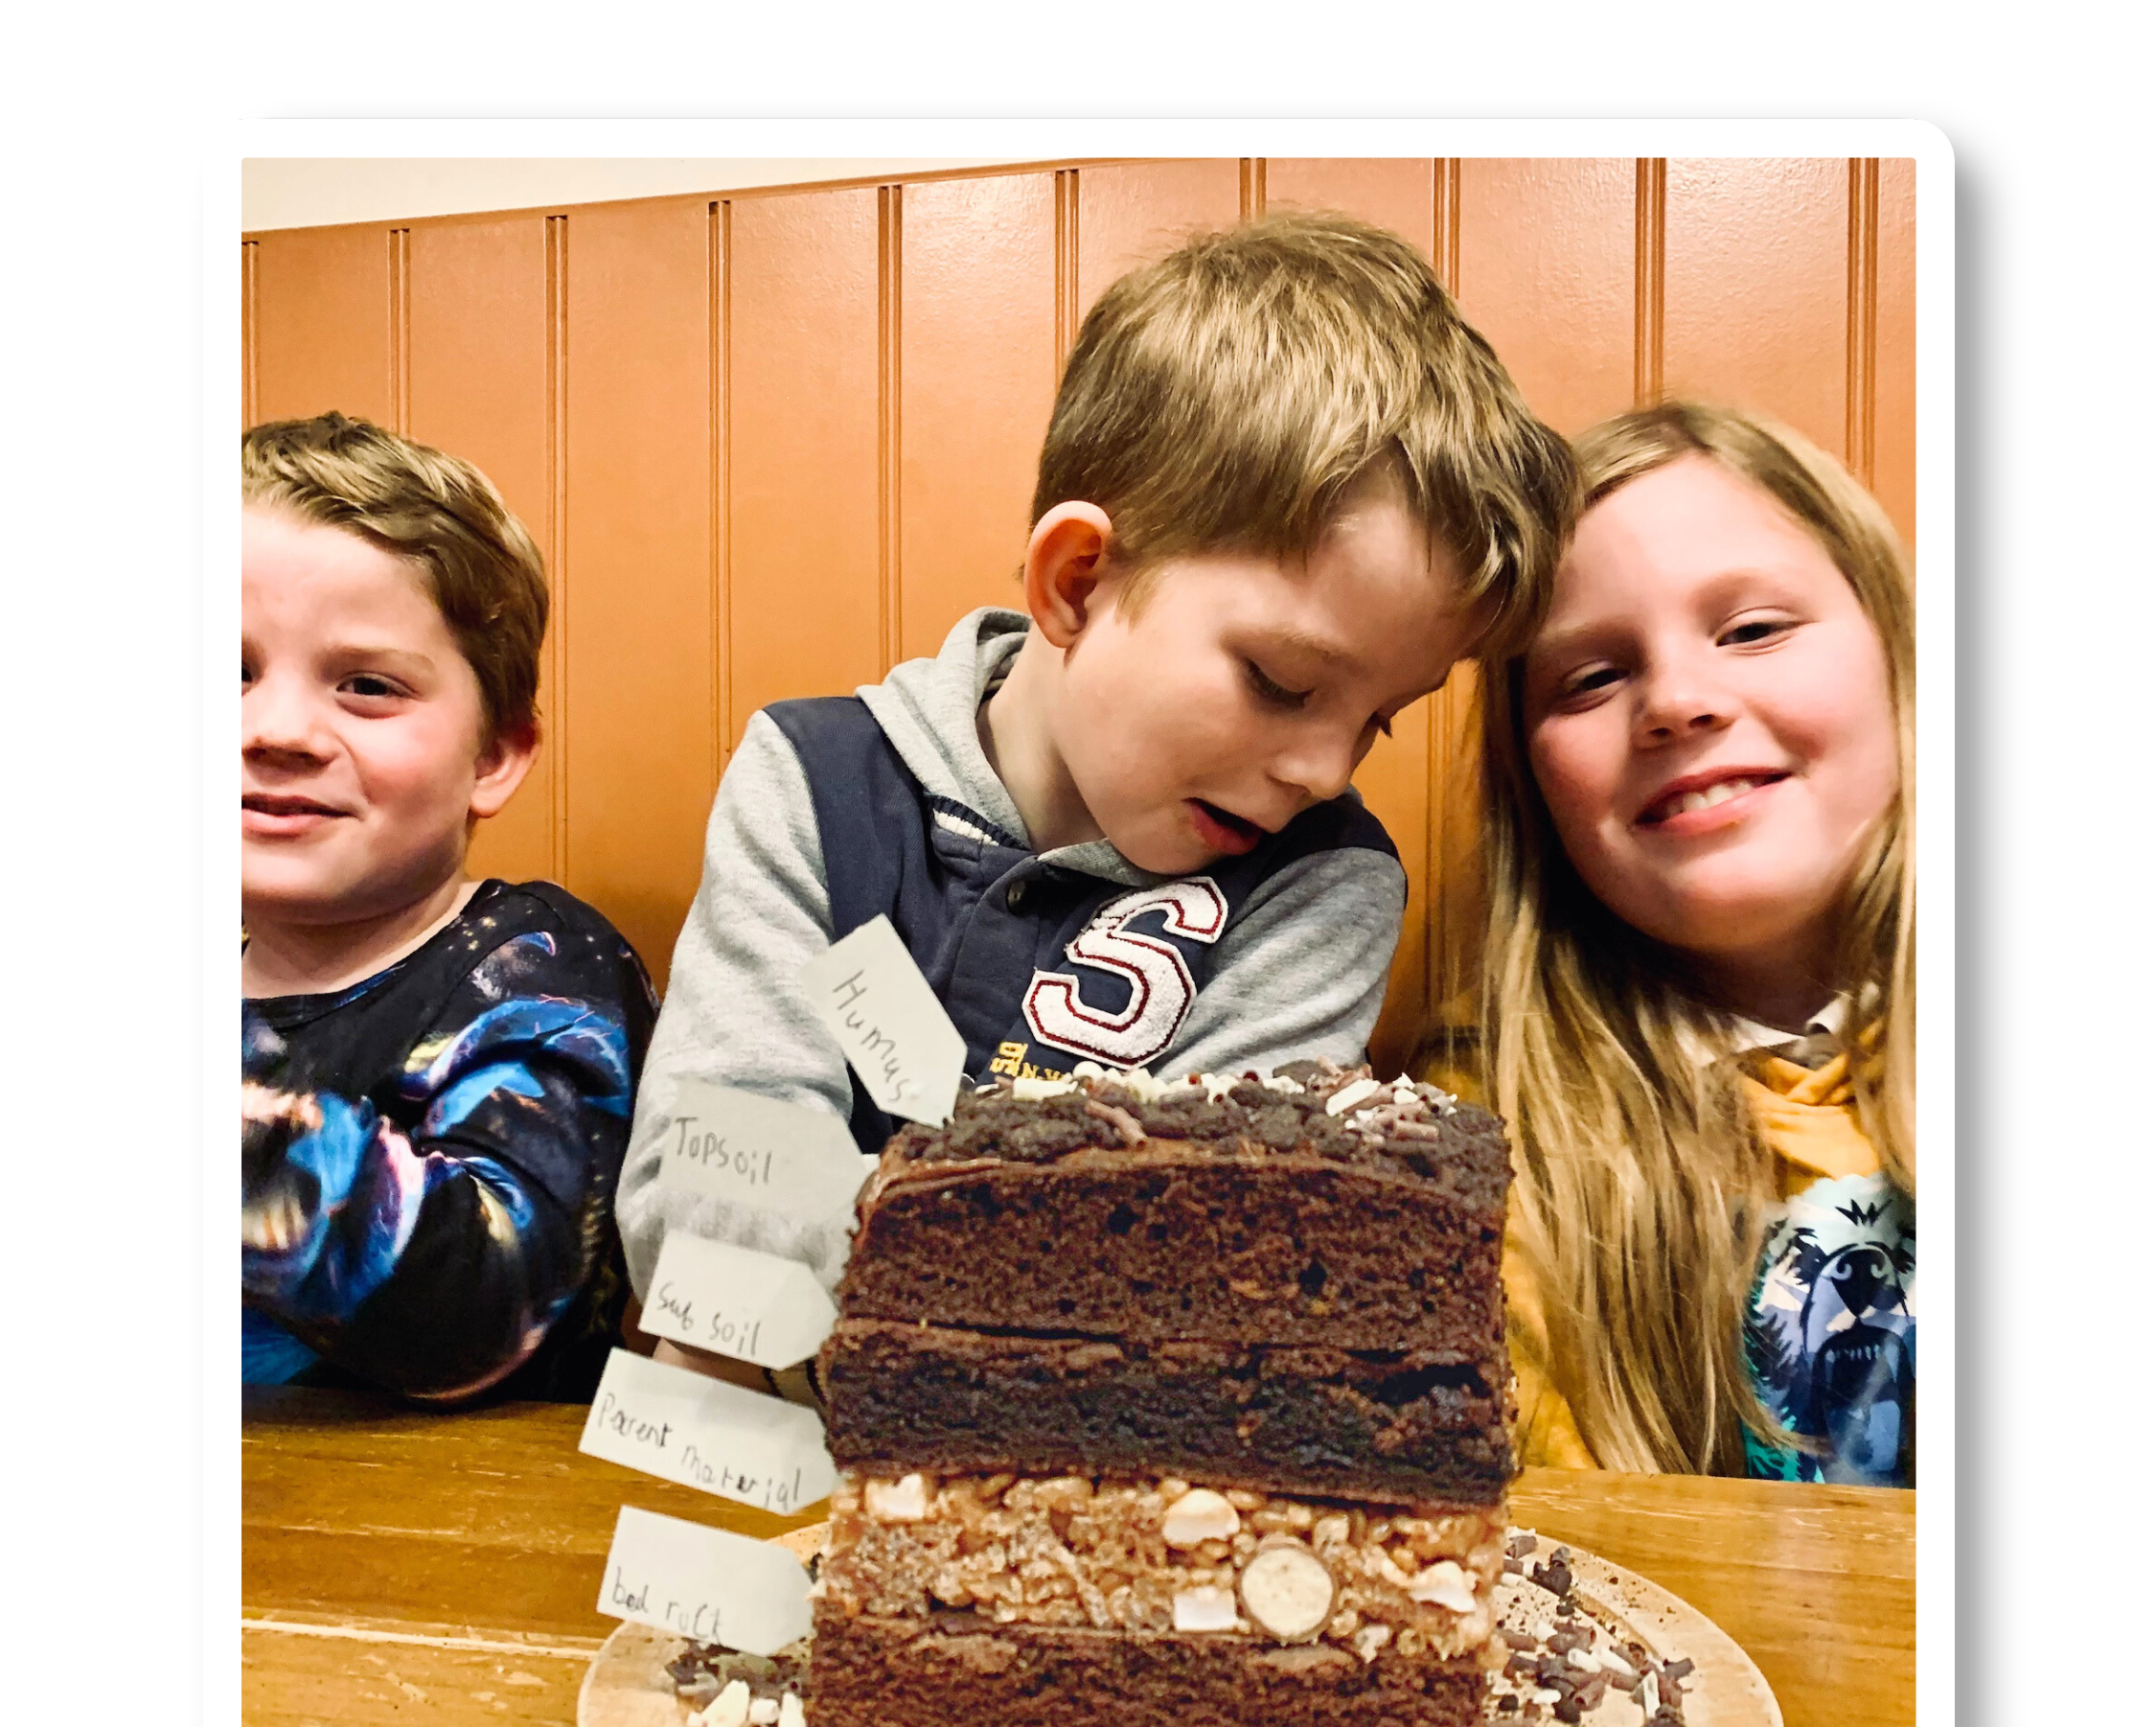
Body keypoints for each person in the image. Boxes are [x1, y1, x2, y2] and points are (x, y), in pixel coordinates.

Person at [617, 213, 1577, 1344]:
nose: (1323, 770)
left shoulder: (1324, 880)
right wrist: (1057, 1280)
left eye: (1379, 721)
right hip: (770, 1476)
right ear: (1075, 583)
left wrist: (890, 1260)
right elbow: (696, 1215)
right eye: (1281, 680)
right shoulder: (814, 785)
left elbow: (1212, 1265)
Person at [1428, 402, 1914, 1484]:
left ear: (1901, 662)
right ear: (1533, 785)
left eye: (1752, 630)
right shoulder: (1486, 1153)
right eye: (1590, 678)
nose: (1679, 702)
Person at [241, 413, 657, 1402]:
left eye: (368, 686)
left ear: (493, 757)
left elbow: (484, 1299)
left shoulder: (539, 971)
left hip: (441, 1536)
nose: (276, 729)